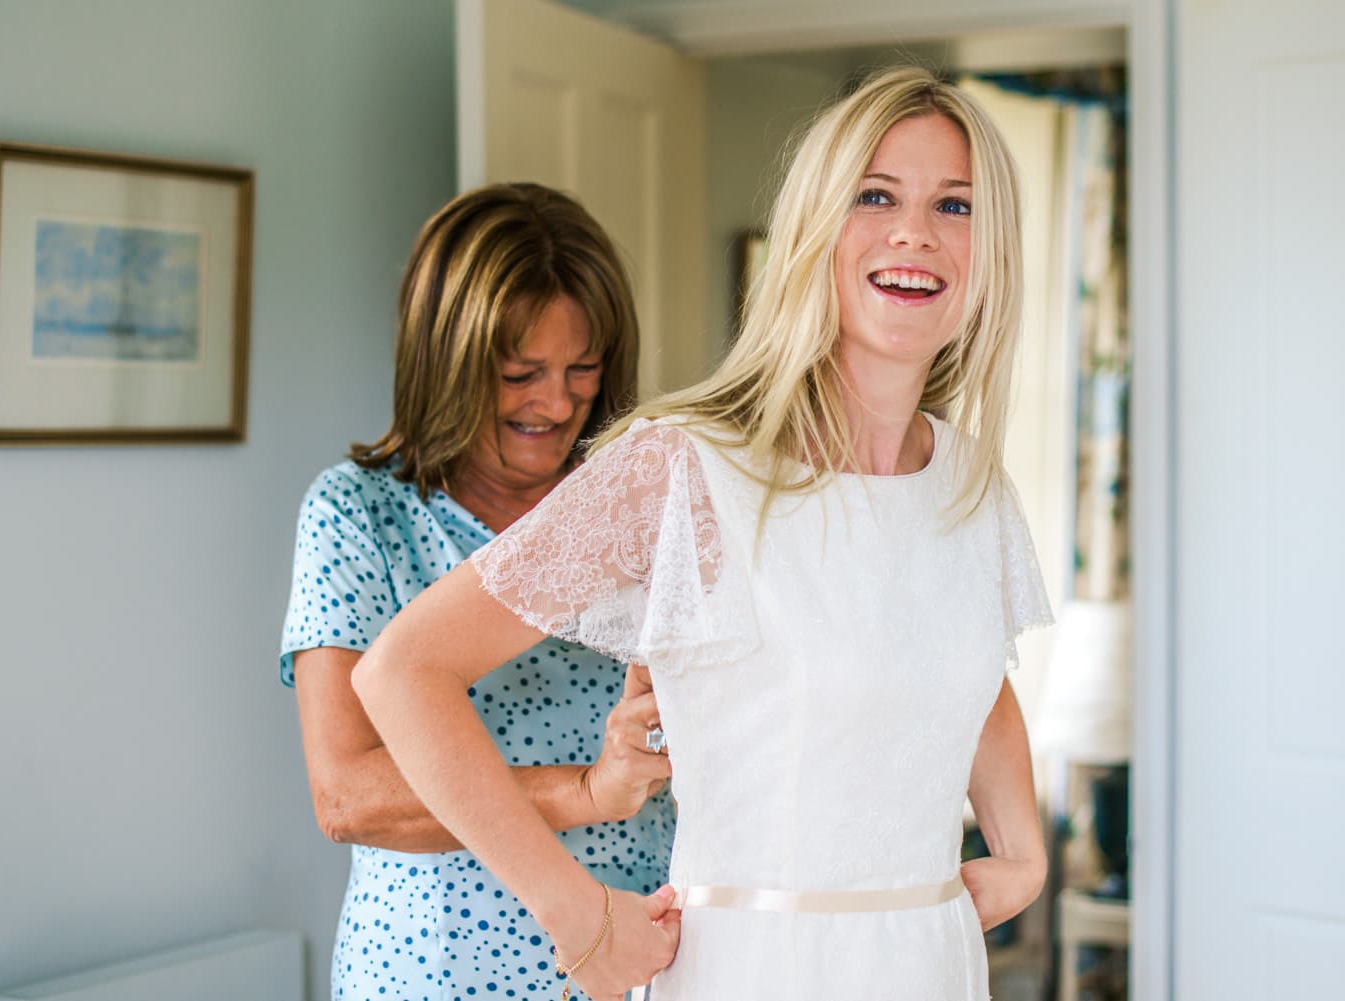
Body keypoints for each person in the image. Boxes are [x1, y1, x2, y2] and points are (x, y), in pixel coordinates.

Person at [350, 67, 1053, 1001]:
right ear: (813, 229)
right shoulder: (683, 468)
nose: (915, 231)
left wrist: (1025, 849)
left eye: (954, 205)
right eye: (874, 195)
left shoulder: (972, 484)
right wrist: (578, 914)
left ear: (991, 248)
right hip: (752, 969)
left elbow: (963, 667)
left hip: (930, 967)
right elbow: (402, 672)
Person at [279, 183, 676, 1001]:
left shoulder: (641, 504)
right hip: (436, 972)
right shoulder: (360, 514)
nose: (558, 402)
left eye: (583, 368)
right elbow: (347, 794)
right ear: (446, 362)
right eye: (520, 372)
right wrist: (586, 791)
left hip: (647, 959)